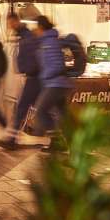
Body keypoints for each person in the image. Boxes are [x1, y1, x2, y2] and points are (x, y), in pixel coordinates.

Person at [34, 15, 72, 151]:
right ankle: (71, 142)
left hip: (55, 84)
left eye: (36, 27)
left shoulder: (49, 43)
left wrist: (44, 76)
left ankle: (58, 141)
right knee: (63, 115)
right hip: (56, 83)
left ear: (41, 27)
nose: (35, 30)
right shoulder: (49, 41)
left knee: (41, 111)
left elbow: (56, 66)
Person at [3, 11, 40, 142]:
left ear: (15, 21)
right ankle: (58, 138)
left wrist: (24, 69)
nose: (9, 26)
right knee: (44, 108)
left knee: (23, 107)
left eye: (10, 23)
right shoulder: (23, 35)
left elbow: (30, 57)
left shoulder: (26, 36)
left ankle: (12, 138)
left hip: (34, 77)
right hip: (33, 76)